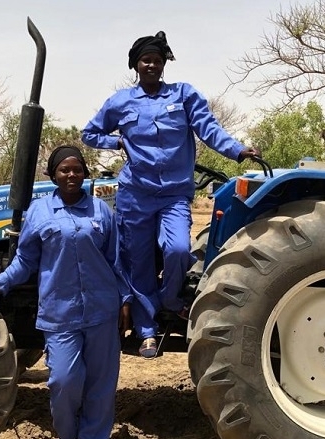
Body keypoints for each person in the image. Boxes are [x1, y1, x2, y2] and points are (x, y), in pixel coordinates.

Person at [81, 31, 260, 359]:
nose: (151, 65)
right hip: (135, 194)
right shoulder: (120, 102)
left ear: (164, 65)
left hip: (174, 194)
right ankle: (147, 329)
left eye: (157, 61)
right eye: (146, 60)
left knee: (177, 248)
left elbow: (209, 129)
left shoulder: (184, 95)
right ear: (136, 64)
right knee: (138, 261)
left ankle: (171, 301)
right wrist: (116, 142)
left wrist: (238, 150)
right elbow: (89, 133)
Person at [0, 145, 131, 439]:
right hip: (59, 312)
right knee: (64, 381)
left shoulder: (101, 210)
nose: (71, 174)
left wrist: (125, 300)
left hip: (102, 309)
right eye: (64, 169)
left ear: (84, 173)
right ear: (53, 175)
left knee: (101, 387)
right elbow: (26, 260)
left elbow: (116, 259)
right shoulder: (40, 211)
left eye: (77, 169)